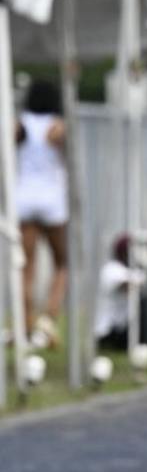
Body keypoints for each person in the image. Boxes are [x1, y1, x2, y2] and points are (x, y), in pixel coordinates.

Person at [15, 77, 69, 346]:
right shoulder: (56, 126)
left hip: (23, 199)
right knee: (62, 263)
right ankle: (48, 320)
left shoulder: (20, 125)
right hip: (52, 201)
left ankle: (25, 324)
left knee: (26, 268)